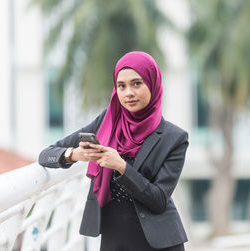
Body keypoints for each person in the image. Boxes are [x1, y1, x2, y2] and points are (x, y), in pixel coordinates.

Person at [38, 51, 189, 251]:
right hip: (114, 241)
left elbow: (159, 199)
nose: (128, 93)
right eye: (122, 86)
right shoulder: (106, 122)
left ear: (153, 84)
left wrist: (121, 166)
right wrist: (74, 154)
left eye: (137, 83)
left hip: (160, 243)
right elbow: (46, 154)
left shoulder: (174, 138)